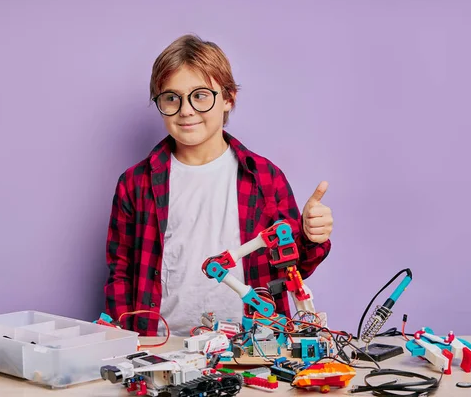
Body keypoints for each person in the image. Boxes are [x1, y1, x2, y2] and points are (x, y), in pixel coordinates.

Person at [104, 34, 333, 337]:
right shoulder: (136, 183)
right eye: (171, 97)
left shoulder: (265, 178)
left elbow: (294, 270)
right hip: (161, 346)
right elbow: (121, 273)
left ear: (228, 98)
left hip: (252, 346)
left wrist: (310, 236)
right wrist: (120, 340)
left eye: (200, 95)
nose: (185, 110)